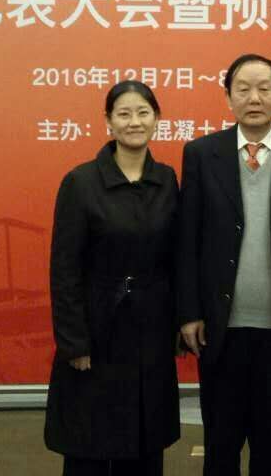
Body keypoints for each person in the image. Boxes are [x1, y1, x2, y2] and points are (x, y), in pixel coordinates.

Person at [176, 53, 271, 476]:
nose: (254, 98)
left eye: (264, 88)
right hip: (219, 327)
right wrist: (189, 312)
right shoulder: (202, 154)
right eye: (242, 89)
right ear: (228, 98)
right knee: (220, 446)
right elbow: (187, 241)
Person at [45, 81, 181, 476]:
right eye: (124, 114)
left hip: (150, 334)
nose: (134, 122)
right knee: (89, 443)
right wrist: (74, 342)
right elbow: (64, 270)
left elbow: (176, 258)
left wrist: (177, 322)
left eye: (143, 112)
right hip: (97, 333)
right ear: (108, 121)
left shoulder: (167, 180)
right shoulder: (81, 182)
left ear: (157, 119)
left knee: (143, 442)